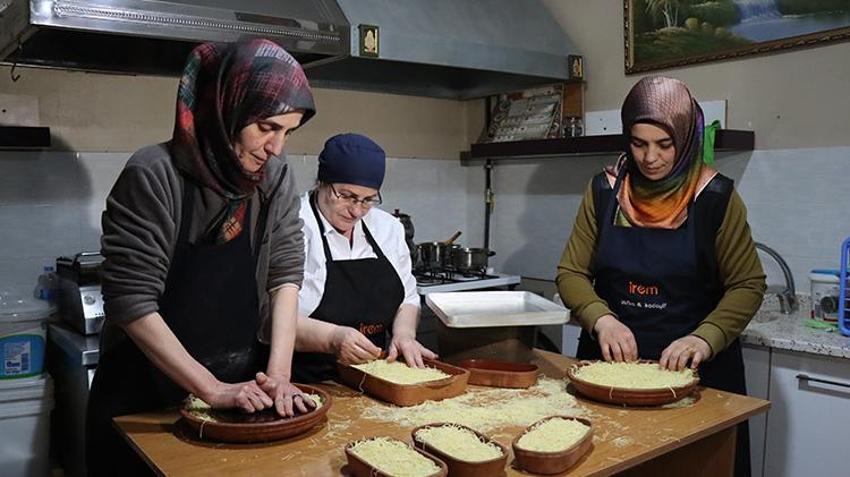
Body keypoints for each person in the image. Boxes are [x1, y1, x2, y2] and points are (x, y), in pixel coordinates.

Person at [87, 39, 316, 476]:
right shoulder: (155, 175)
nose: (277, 148)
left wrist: (280, 376)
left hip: (236, 398)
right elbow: (131, 304)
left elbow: (286, 274)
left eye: (288, 132)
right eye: (267, 127)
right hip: (144, 405)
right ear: (225, 107)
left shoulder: (274, 178)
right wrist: (211, 388)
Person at [556, 76, 765, 476]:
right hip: (609, 369)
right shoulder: (605, 191)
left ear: (686, 138)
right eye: (639, 143)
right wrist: (601, 319)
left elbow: (748, 283)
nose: (650, 157)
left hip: (696, 373)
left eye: (664, 144)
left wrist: (704, 338)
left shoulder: (715, 198)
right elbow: (571, 272)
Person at [291, 133, 436, 382]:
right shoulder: (292, 224)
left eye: (368, 200)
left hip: (371, 378)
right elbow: (269, 318)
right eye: (346, 196)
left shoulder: (387, 228)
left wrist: (404, 334)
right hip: (302, 381)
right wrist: (332, 338)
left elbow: (407, 297)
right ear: (321, 182)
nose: (356, 210)